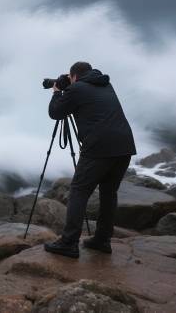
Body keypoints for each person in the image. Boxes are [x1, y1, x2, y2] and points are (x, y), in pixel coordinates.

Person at [44, 61, 136, 258]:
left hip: (99, 147)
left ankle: (69, 243)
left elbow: (55, 113)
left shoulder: (76, 89)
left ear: (74, 76)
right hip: (125, 146)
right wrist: (68, 86)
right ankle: (102, 240)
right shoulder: (106, 84)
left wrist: (57, 91)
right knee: (109, 193)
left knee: (78, 191)